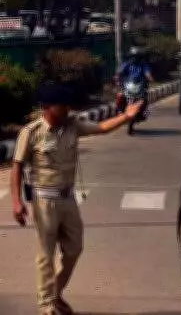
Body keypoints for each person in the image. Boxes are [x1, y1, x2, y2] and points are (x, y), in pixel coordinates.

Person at [10, 83, 143, 315]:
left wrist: (126, 116)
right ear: (47, 108)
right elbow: (17, 167)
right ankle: (46, 306)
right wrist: (16, 202)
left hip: (68, 199)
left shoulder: (73, 126)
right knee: (46, 255)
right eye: (62, 106)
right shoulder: (31, 133)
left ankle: (55, 293)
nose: (67, 110)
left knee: (74, 249)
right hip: (44, 201)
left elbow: (101, 127)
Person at [116, 46, 153, 132]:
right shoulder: (127, 64)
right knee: (120, 96)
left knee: (144, 99)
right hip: (128, 85)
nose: (135, 58)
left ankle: (143, 112)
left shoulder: (143, 65)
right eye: (134, 56)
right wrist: (118, 77)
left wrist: (150, 77)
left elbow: (147, 73)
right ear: (131, 56)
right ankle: (120, 110)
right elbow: (120, 72)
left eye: (137, 57)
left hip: (140, 86)